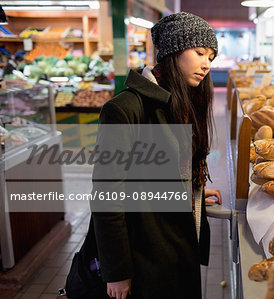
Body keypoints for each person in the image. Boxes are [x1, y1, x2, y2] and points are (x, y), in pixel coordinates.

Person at [88, 12, 222, 299]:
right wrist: (116, 271)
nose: (206, 64)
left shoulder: (184, 99)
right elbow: (106, 195)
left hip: (177, 245)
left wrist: (190, 190)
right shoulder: (124, 109)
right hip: (145, 254)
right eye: (199, 53)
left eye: (211, 57)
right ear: (172, 52)